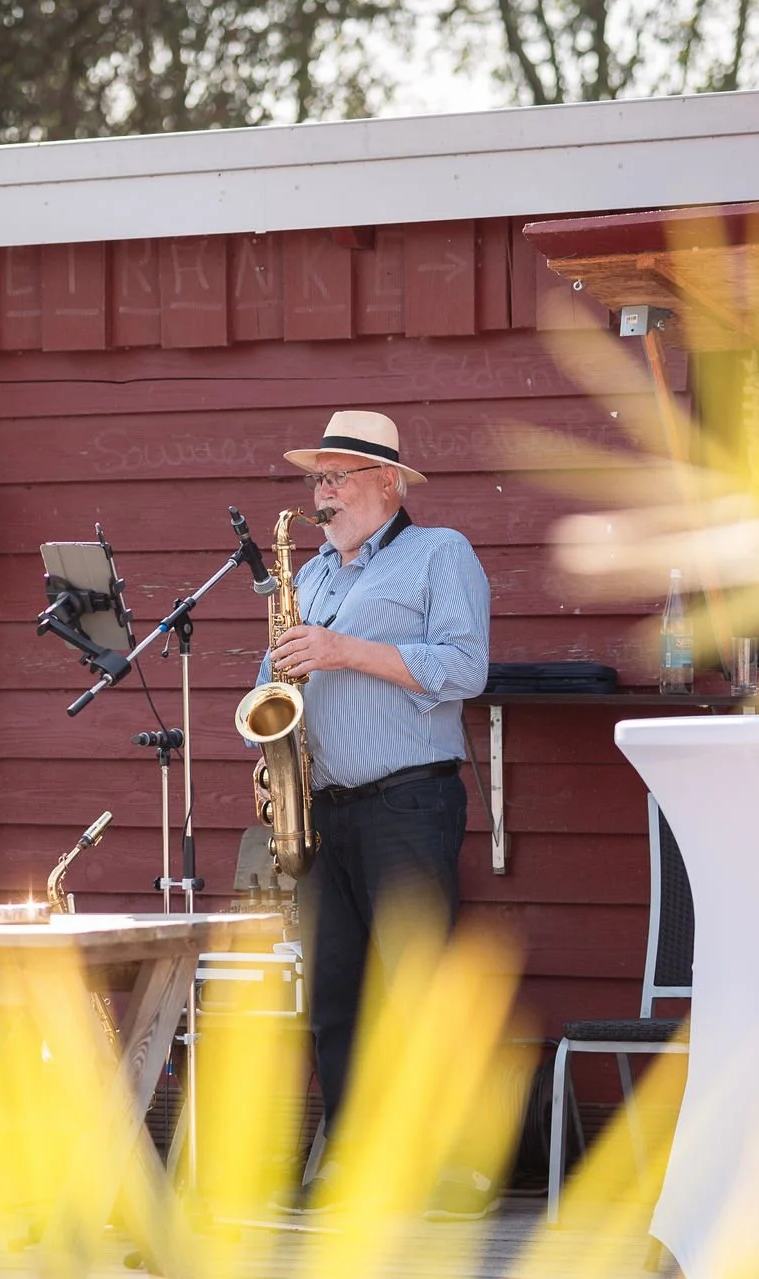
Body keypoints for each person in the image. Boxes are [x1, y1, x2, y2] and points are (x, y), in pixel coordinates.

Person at [261, 409, 492, 1218]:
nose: (322, 495)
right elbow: (278, 678)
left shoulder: (440, 554)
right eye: (316, 480)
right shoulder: (314, 572)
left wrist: (342, 650)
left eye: (337, 478)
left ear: (387, 483)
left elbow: (466, 667)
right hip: (325, 810)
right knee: (336, 998)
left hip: (409, 802)